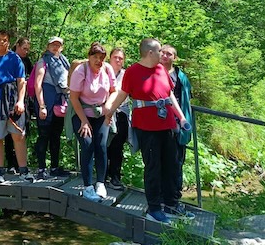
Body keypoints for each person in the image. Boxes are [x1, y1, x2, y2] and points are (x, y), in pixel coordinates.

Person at [105, 38, 193, 223]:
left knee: (172, 164)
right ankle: (154, 208)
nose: (163, 54)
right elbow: (122, 94)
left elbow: (169, 94)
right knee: (153, 167)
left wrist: (182, 117)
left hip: (167, 124)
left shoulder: (161, 70)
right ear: (150, 53)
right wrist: (109, 112)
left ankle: (171, 204)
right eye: (160, 51)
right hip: (147, 128)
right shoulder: (133, 72)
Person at [0, 30, 34, 183]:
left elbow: (21, 81)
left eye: (5, 40)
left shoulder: (14, 58)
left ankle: (23, 170)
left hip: (13, 99)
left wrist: (21, 101)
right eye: (0, 39)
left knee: (18, 135)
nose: (3, 42)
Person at [69, 42, 116, 202]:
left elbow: (113, 92)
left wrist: (109, 107)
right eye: (95, 57)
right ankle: (88, 186)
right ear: (89, 57)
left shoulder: (108, 69)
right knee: (88, 143)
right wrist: (83, 121)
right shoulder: (80, 71)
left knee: (101, 145)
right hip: (81, 113)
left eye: (101, 58)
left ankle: (101, 183)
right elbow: (74, 98)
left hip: (102, 113)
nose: (98, 61)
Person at [33, 37, 71, 180]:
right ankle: (41, 168)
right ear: (48, 46)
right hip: (46, 100)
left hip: (59, 101)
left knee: (56, 135)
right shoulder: (43, 61)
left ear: (62, 47)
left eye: (58, 45)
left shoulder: (63, 62)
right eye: (53, 45)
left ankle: (54, 167)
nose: (56, 47)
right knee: (44, 135)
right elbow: (38, 85)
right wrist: (42, 105)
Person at [160, 44, 193, 206]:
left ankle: (173, 199)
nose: (165, 56)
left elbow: (186, 101)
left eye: (169, 54)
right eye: (163, 53)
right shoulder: (153, 72)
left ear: (175, 58)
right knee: (157, 162)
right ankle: (158, 197)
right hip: (156, 125)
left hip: (176, 126)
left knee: (175, 162)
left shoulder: (180, 77)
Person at [6, 37, 33, 173]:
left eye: (28, 49)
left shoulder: (27, 61)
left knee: (22, 132)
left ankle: (20, 163)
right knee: (10, 132)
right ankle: (10, 163)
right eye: (24, 48)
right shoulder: (9, 58)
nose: (26, 52)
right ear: (17, 46)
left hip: (24, 100)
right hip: (10, 99)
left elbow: (31, 78)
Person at [106, 47, 128, 190]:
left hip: (121, 113)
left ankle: (115, 177)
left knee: (118, 145)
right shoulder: (103, 72)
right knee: (104, 144)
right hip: (105, 113)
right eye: (116, 57)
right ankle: (102, 176)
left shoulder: (127, 75)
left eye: (121, 58)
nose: (118, 60)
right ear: (110, 58)